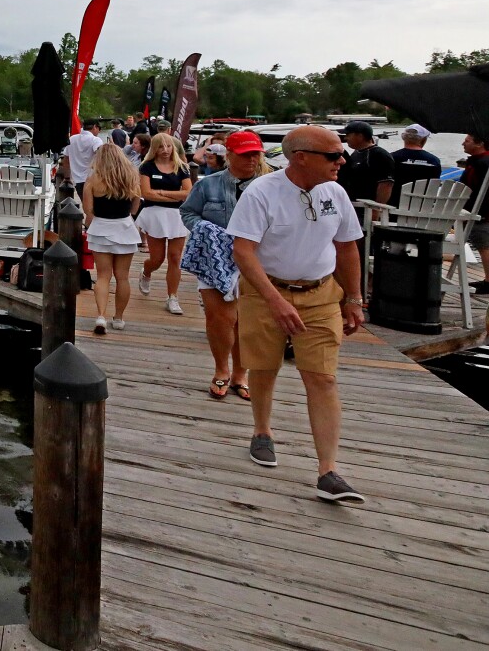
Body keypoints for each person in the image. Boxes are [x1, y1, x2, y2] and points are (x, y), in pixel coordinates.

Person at [228, 125, 366, 504]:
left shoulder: (336, 192)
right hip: (265, 292)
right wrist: (275, 300)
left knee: (322, 378)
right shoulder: (261, 193)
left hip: (321, 294)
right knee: (263, 365)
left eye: (342, 154)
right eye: (334, 155)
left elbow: (348, 247)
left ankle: (329, 471)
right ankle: (262, 431)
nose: (342, 160)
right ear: (301, 157)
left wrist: (353, 298)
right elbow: (243, 251)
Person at [181, 130, 268, 401]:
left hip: (257, 259)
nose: (252, 159)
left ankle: (241, 374)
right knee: (220, 319)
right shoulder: (207, 185)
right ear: (228, 155)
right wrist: (207, 232)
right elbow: (188, 212)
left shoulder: (269, 186)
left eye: (256, 154)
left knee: (247, 320)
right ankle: (221, 369)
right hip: (215, 260)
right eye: (245, 154)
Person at [83, 143, 141, 335]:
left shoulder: (93, 180)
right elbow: (135, 206)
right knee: (122, 277)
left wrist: (90, 225)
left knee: (102, 276)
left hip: (101, 227)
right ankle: (119, 318)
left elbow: (88, 210)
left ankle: (101, 315)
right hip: (124, 227)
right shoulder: (132, 177)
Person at [137, 132, 193, 315]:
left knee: (175, 257)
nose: (166, 150)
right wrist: (173, 195)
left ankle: (172, 297)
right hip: (155, 215)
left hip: (176, 215)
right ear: (155, 149)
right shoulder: (147, 167)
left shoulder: (181, 167)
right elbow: (146, 193)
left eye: (169, 146)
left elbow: (188, 193)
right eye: (161, 146)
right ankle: (146, 271)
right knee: (157, 258)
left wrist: (161, 193)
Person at [336, 121, 394, 220]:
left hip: (367, 208)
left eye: (348, 135)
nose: (345, 138)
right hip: (353, 206)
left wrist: (376, 210)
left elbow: (386, 185)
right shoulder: (356, 153)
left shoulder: (379, 155)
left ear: (360, 136)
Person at [459, 132, 489, 293]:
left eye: (467, 141)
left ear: (479, 144)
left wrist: (481, 211)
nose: (463, 144)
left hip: (481, 212)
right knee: (482, 244)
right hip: (474, 209)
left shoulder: (483, 163)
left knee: (484, 245)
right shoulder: (476, 162)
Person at [389, 123, 442, 203]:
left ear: (404, 138)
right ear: (423, 140)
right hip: (422, 207)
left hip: (394, 205)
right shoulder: (434, 161)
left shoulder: (391, 157)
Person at [65, 118, 105, 200]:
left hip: (78, 181)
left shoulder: (72, 139)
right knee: (98, 207)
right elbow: (101, 156)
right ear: (94, 127)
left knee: (87, 206)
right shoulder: (95, 140)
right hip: (93, 179)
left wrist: (67, 177)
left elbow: (66, 160)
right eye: (99, 129)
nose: (99, 131)